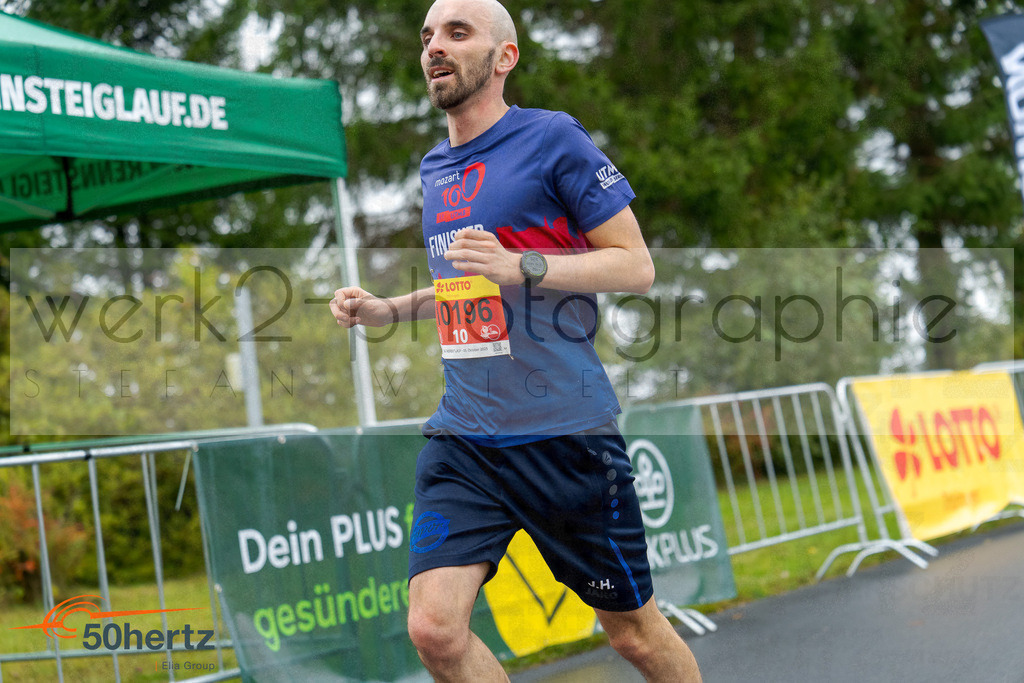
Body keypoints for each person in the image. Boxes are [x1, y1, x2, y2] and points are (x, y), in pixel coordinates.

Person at [330, 0, 702, 680]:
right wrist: (390, 309)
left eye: (457, 32)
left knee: (635, 637)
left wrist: (522, 264)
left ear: (505, 57)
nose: (434, 47)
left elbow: (635, 266)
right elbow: (467, 287)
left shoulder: (552, 138)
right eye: (428, 36)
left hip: (563, 432)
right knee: (434, 630)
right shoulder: (435, 167)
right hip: (467, 435)